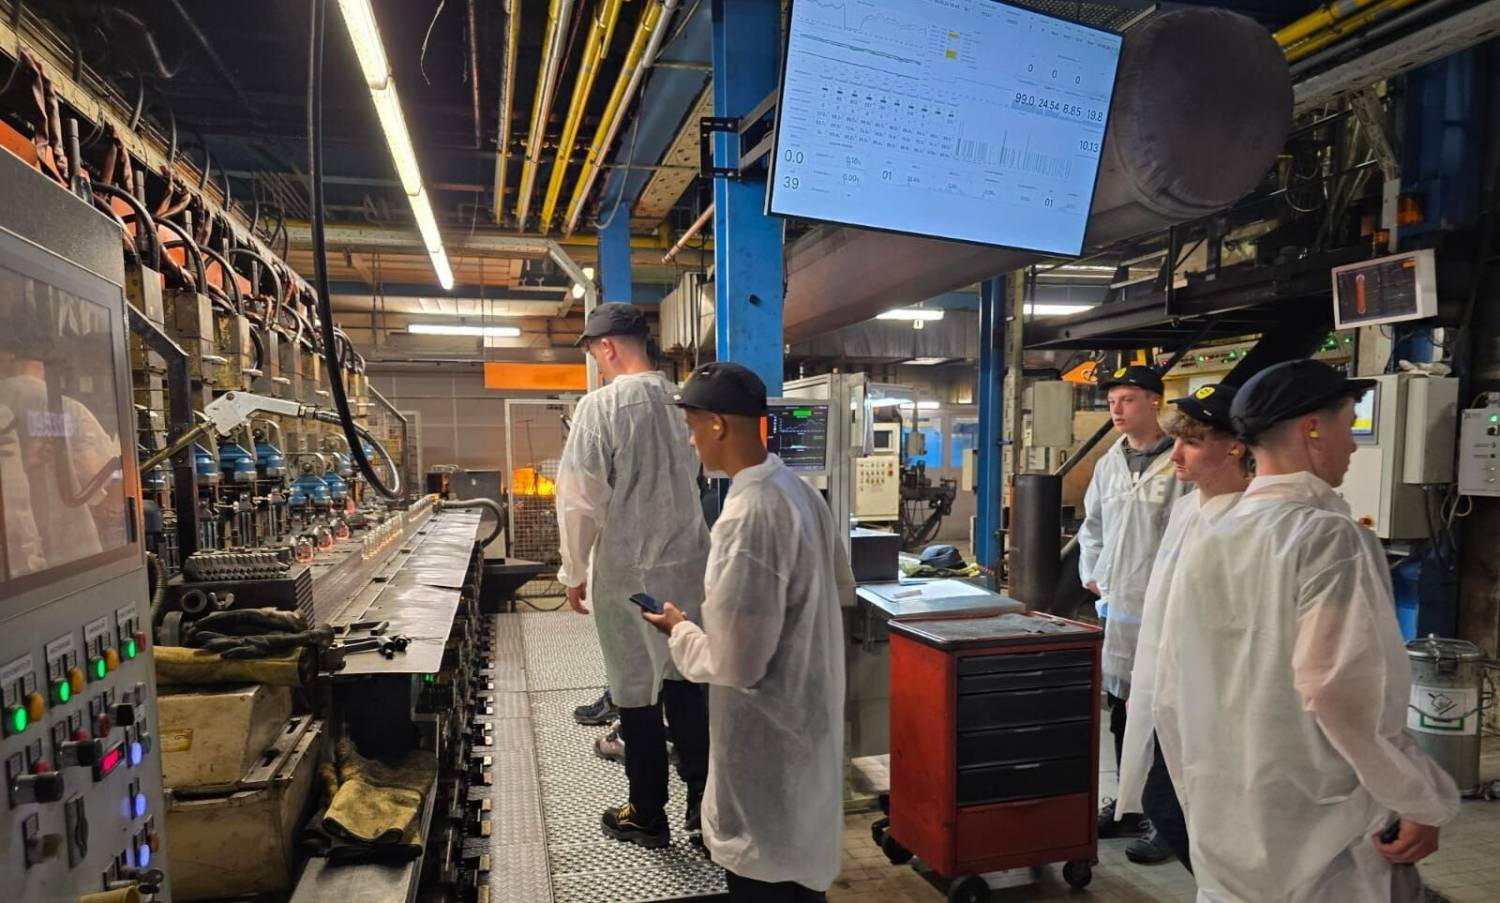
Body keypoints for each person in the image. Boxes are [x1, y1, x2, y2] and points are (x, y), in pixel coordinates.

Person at [1153, 360, 1461, 902]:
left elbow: (1171, 692)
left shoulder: (1212, 536)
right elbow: (1337, 690)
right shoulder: (1329, 538)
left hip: (1229, 823)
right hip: (1324, 832)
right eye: (1346, 424)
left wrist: (1201, 801)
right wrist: (1417, 798)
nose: (1353, 445)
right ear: (1311, 428)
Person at [643, 361, 852, 903]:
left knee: (767, 880)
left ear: (717, 425)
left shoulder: (748, 514)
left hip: (767, 752)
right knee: (800, 882)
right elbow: (841, 587)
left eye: (692, 429)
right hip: (806, 729)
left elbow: (738, 664)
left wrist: (681, 631)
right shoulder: (799, 491)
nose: (692, 443)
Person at [554, 303, 712, 848]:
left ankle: (647, 813)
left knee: (636, 695)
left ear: (608, 348)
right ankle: (703, 809)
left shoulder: (602, 407)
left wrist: (573, 568)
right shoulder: (684, 401)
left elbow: (580, 500)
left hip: (630, 574)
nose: (598, 364)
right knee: (689, 681)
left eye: (596, 354)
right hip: (691, 566)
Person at [1115, 383, 1251, 870]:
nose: (1175, 456)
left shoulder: (1254, 520)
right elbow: (1165, 601)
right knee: (1169, 806)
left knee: (1201, 818)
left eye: (1191, 442)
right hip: (1176, 692)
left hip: (1224, 704)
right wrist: (1146, 680)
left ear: (1235, 445)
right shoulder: (1190, 508)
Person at [1077, 364, 1190, 845]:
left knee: (1165, 708)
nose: (1116, 410)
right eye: (1111, 402)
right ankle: (1130, 802)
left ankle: (1165, 817)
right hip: (1119, 608)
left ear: (1153, 401)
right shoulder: (1109, 463)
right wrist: (1094, 576)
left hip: (1167, 610)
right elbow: (1093, 527)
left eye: (1125, 400)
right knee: (1124, 706)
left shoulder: (1180, 462)